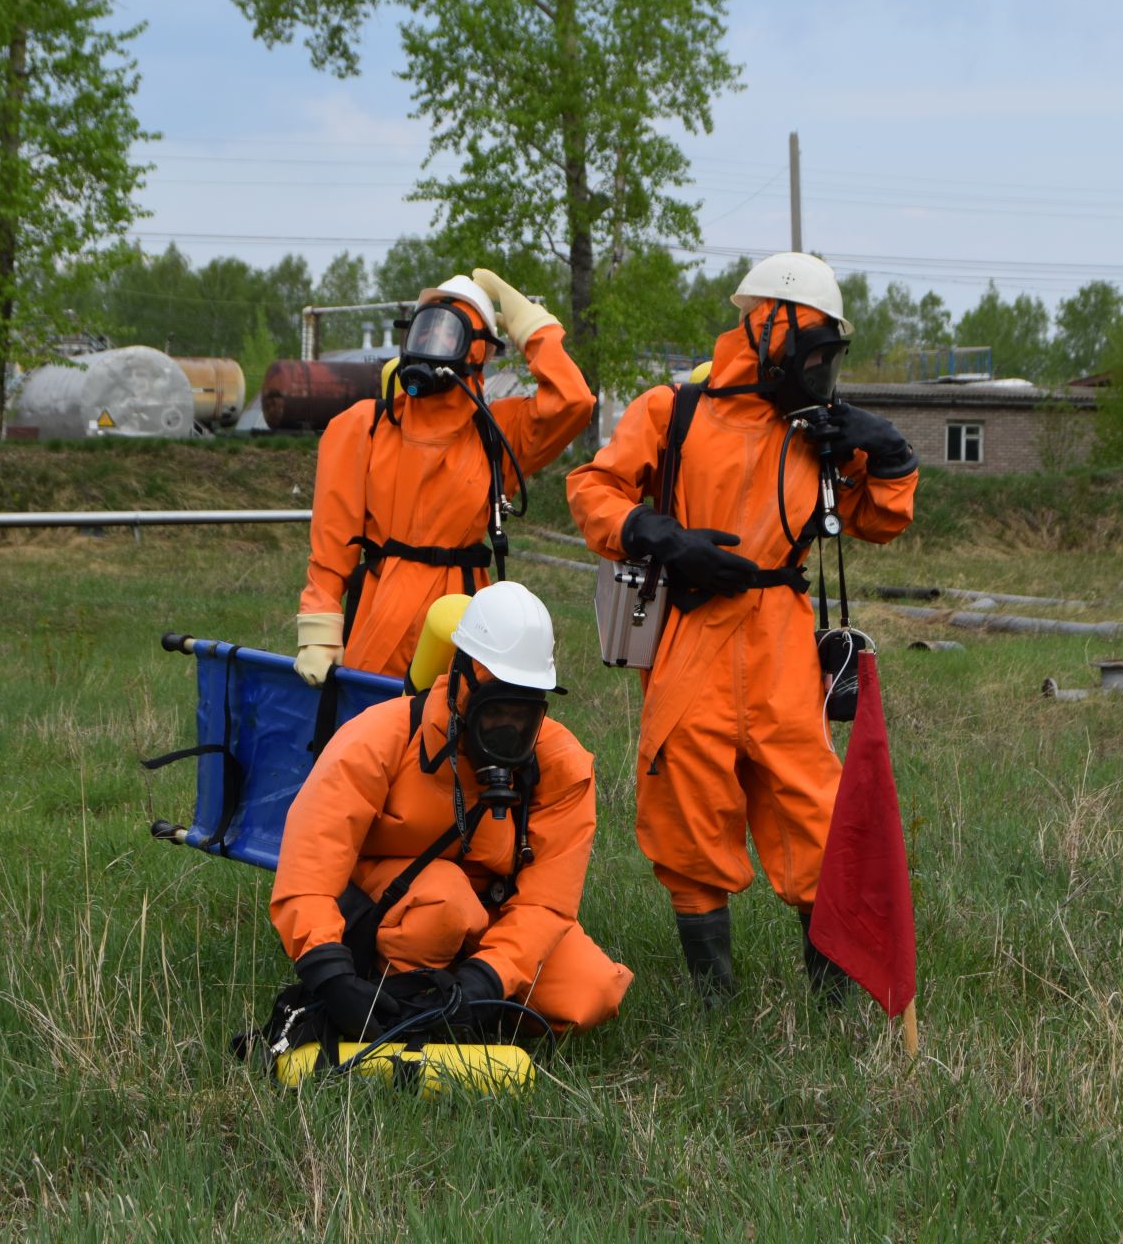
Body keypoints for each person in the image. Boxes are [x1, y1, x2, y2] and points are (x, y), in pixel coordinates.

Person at [565, 251, 919, 1003]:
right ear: (770, 324)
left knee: (816, 813)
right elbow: (592, 488)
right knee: (686, 811)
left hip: (783, 638)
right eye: (813, 344)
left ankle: (835, 998)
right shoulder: (674, 410)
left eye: (830, 351)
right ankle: (713, 1000)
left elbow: (877, 520)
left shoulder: (817, 429)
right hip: (692, 632)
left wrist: (887, 455)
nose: (819, 363)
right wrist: (662, 536)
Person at [270, 582, 632, 1038]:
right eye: (498, 708)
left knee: (590, 992)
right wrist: (328, 971)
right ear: (462, 681)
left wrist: (489, 977)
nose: (511, 727)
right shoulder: (382, 736)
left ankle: (464, 1006)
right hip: (401, 900)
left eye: (524, 712)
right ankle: (394, 996)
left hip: (493, 908)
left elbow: (546, 903)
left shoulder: (562, 766)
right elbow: (310, 864)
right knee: (445, 901)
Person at [293, 270, 595, 688]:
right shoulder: (365, 426)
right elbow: (332, 542)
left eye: (447, 333)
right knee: (369, 732)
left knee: (455, 733)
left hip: (464, 612)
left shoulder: (497, 431)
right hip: (383, 609)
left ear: (477, 353)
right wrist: (319, 632)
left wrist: (530, 323)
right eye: (426, 328)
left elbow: (572, 399)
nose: (432, 344)